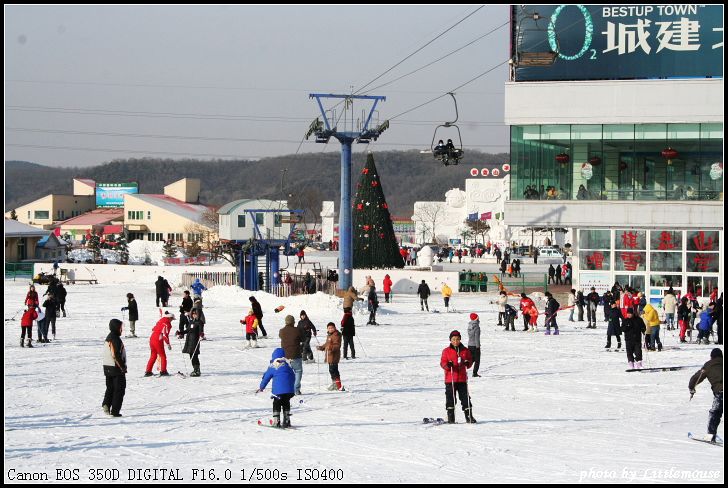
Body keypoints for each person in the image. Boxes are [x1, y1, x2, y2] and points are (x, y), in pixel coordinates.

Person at [440, 330, 475, 424]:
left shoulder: (465, 350)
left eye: (457, 339)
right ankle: (451, 416)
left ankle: (469, 416)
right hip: (450, 379)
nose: (455, 341)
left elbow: (470, 361)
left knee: (465, 398)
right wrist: (448, 365)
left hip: (462, 379)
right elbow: (442, 363)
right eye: (453, 339)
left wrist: (468, 363)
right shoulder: (446, 351)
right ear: (450, 340)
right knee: (450, 398)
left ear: (460, 339)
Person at [688, 348, 723, 443]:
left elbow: (696, 378)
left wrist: (692, 388)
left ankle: (711, 436)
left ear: (712, 356)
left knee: (715, 413)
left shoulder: (709, 365)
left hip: (720, 392)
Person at [258, 347, 296, 428]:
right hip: (289, 391)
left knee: (277, 403)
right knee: (286, 403)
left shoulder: (273, 366)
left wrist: (261, 387)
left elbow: (266, 378)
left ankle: (276, 421)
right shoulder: (288, 365)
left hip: (278, 391)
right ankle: (287, 420)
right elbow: (293, 376)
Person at [102, 318, 127, 417]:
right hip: (115, 367)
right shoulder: (115, 339)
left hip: (107, 367)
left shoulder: (109, 337)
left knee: (110, 387)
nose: (121, 330)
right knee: (119, 389)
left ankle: (106, 404)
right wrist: (122, 367)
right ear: (116, 328)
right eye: (120, 328)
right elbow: (115, 354)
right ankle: (115, 411)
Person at [145, 310, 175, 376]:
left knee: (153, 355)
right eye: (172, 319)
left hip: (152, 338)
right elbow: (165, 335)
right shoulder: (167, 324)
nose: (172, 321)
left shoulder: (161, 320)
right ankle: (163, 371)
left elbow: (154, 328)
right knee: (163, 356)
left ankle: (148, 371)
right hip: (158, 339)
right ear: (169, 318)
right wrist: (168, 344)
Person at [279, 314, 304, 395]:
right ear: (293, 322)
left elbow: (281, 337)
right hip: (296, 354)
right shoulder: (297, 330)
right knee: (298, 371)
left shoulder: (281, 331)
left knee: (287, 373)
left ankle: (287, 389)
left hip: (285, 356)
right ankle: (296, 389)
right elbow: (302, 338)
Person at [317, 322, 344, 391]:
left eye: (332, 328)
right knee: (331, 370)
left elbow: (337, 345)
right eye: (329, 328)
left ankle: (339, 386)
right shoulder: (329, 335)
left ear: (334, 328)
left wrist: (331, 347)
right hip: (329, 355)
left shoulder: (336, 335)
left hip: (334, 355)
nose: (330, 329)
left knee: (334, 370)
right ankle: (334, 384)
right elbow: (327, 344)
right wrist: (321, 347)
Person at [180, 308, 203, 376]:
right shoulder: (191, 322)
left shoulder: (199, 322)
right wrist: (180, 332)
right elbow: (187, 330)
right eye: (193, 313)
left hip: (195, 341)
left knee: (194, 356)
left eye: (195, 314)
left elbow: (201, 331)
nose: (194, 315)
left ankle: (197, 370)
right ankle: (195, 369)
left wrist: (201, 334)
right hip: (189, 340)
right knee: (191, 356)